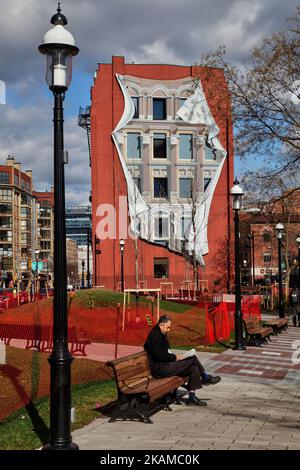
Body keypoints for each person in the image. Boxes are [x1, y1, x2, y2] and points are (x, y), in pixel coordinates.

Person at [144, 315, 221, 406]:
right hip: (160, 369)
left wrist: (177, 357)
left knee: (194, 368)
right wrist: (175, 358)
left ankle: (191, 398)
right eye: (168, 327)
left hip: (166, 365)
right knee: (192, 359)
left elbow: (166, 352)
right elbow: (160, 356)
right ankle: (205, 377)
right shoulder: (154, 337)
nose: (169, 330)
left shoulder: (161, 334)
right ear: (161, 325)